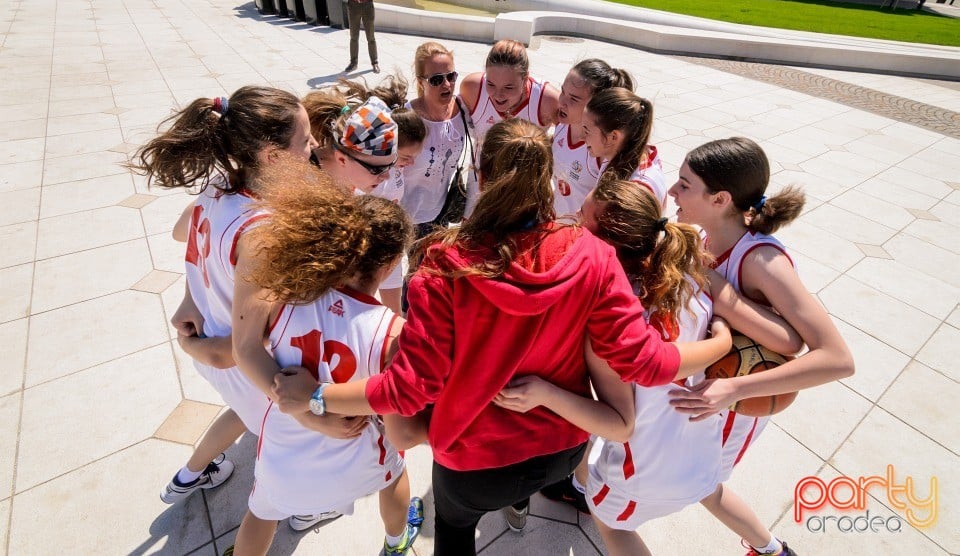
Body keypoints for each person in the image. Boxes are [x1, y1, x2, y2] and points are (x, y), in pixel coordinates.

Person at [270, 119, 733, 556]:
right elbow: (648, 364)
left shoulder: (443, 267)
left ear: (482, 175)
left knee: (453, 529)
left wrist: (315, 397)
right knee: (522, 486)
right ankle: (519, 506)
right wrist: (723, 344)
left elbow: (409, 389)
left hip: (473, 465)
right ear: (548, 178)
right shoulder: (595, 256)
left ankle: (508, 504)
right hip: (563, 451)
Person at [503, 178, 804, 555]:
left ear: (603, 241)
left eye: (582, 216)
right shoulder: (689, 280)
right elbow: (785, 338)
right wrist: (723, 336)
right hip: (702, 447)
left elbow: (617, 422)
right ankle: (774, 549)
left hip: (644, 470)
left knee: (611, 525)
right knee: (711, 492)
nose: (573, 221)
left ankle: (580, 488)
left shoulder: (607, 318)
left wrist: (544, 393)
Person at [130, 88, 347, 534]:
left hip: (218, 352)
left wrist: (193, 301)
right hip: (240, 365)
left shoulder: (219, 187)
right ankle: (303, 506)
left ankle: (193, 473)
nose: (313, 148)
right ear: (270, 156)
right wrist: (309, 414)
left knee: (244, 415)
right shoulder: (262, 232)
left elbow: (181, 235)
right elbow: (246, 349)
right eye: (305, 140)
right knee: (286, 448)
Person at [667, 137, 854, 556]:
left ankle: (770, 549)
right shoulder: (705, 235)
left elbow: (837, 358)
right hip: (706, 385)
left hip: (733, 397)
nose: (671, 191)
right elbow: (781, 334)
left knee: (704, 485)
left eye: (683, 184)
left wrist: (733, 389)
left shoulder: (761, 261)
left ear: (720, 199)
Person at [227, 166, 424, 556]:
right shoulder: (394, 332)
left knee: (261, 512)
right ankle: (396, 543)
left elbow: (243, 349)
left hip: (283, 463)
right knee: (396, 474)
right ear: (387, 269)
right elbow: (397, 406)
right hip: (358, 464)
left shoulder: (284, 299)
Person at [459, 39, 559, 214]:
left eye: (509, 87)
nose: (498, 95)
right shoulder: (473, 88)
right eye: (491, 84)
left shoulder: (547, 100)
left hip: (523, 193)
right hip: (480, 184)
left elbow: (572, 139)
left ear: (525, 78)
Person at [402, 42, 471, 236]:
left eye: (451, 76)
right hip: (410, 215)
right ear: (421, 81)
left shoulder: (462, 110)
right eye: (436, 79)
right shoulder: (407, 118)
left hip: (444, 209)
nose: (447, 84)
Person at [551, 59, 633, 219]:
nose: (561, 101)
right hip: (556, 226)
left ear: (596, 106)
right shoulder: (561, 127)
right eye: (562, 91)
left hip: (580, 235)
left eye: (573, 99)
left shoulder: (602, 150)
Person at [371, 107, 426, 314]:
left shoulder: (396, 168)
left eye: (415, 156)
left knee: (394, 312)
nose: (411, 163)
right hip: (368, 250)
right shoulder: (372, 176)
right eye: (406, 156)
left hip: (390, 247)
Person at [581, 87, 666, 208]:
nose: (582, 137)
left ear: (613, 137)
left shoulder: (637, 189)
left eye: (586, 131)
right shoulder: (615, 157)